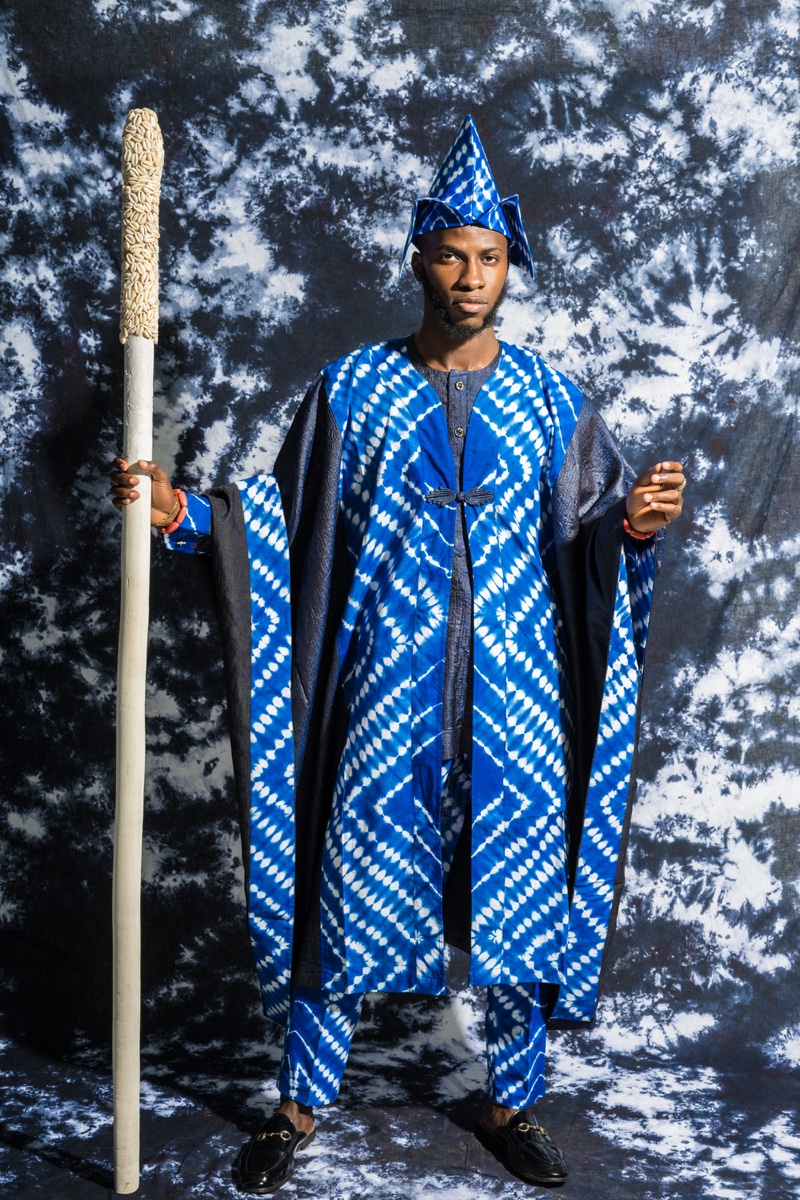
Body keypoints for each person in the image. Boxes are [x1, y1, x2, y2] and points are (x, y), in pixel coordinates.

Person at [111, 115, 685, 1193]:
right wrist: (186, 515)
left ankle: (511, 1099)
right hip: (387, 685)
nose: (470, 279)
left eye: (490, 258)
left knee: (520, 893)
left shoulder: (555, 401)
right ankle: (298, 1102)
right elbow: (281, 524)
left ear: (510, 267)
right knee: (346, 882)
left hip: (518, 692)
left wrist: (635, 526)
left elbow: (592, 535)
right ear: (418, 260)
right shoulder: (351, 391)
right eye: (451, 256)